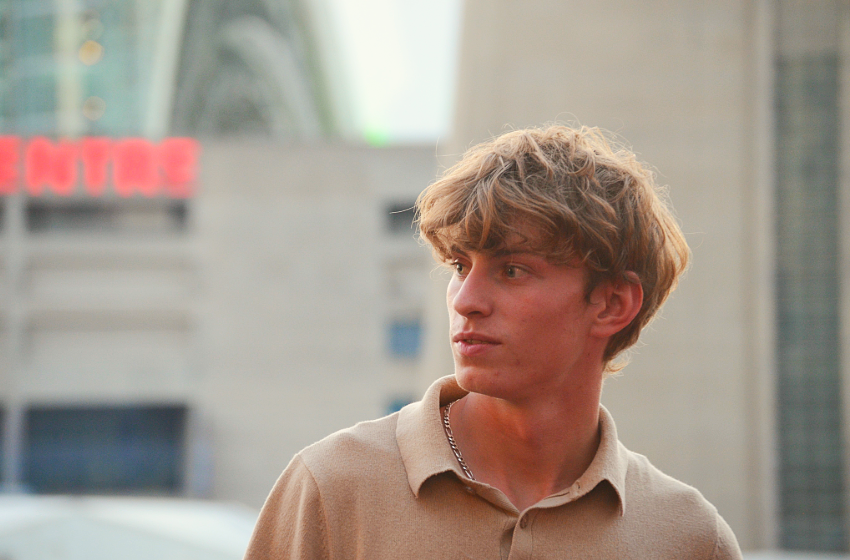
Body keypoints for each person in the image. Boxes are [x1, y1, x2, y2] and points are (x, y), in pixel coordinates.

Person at [243, 125, 743, 559]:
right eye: (460, 267)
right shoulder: (332, 489)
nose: (466, 300)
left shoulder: (689, 539)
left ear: (612, 304)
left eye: (512, 270)